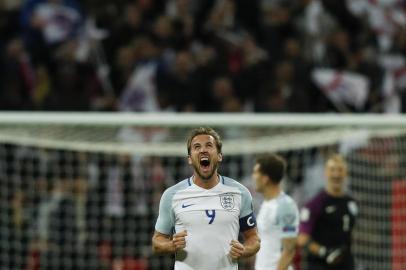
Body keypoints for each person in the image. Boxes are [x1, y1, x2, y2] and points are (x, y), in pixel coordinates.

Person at [152, 127, 260, 270]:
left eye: (209, 145)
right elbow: (157, 242)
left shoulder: (240, 192)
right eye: (197, 147)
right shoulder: (172, 195)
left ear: (219, 156)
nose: (203, 150)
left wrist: (244, 250)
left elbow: (254, 239)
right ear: (190, 159)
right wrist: (171, 245)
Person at [297, 154, 358, 270]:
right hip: (319, 265)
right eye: (332, 170)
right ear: (325, 173)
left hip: (346, 264)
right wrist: (324, 252)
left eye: (340, 170)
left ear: (345, 173)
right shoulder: (315, 204)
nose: (336, 174)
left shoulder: (352, 203)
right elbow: (302, 239)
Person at [252, 154, 299, 270]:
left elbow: (289, 250)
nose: (253, 177)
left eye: (255, 173)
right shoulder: (266, 203)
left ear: (265, 178)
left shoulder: (285, 206)